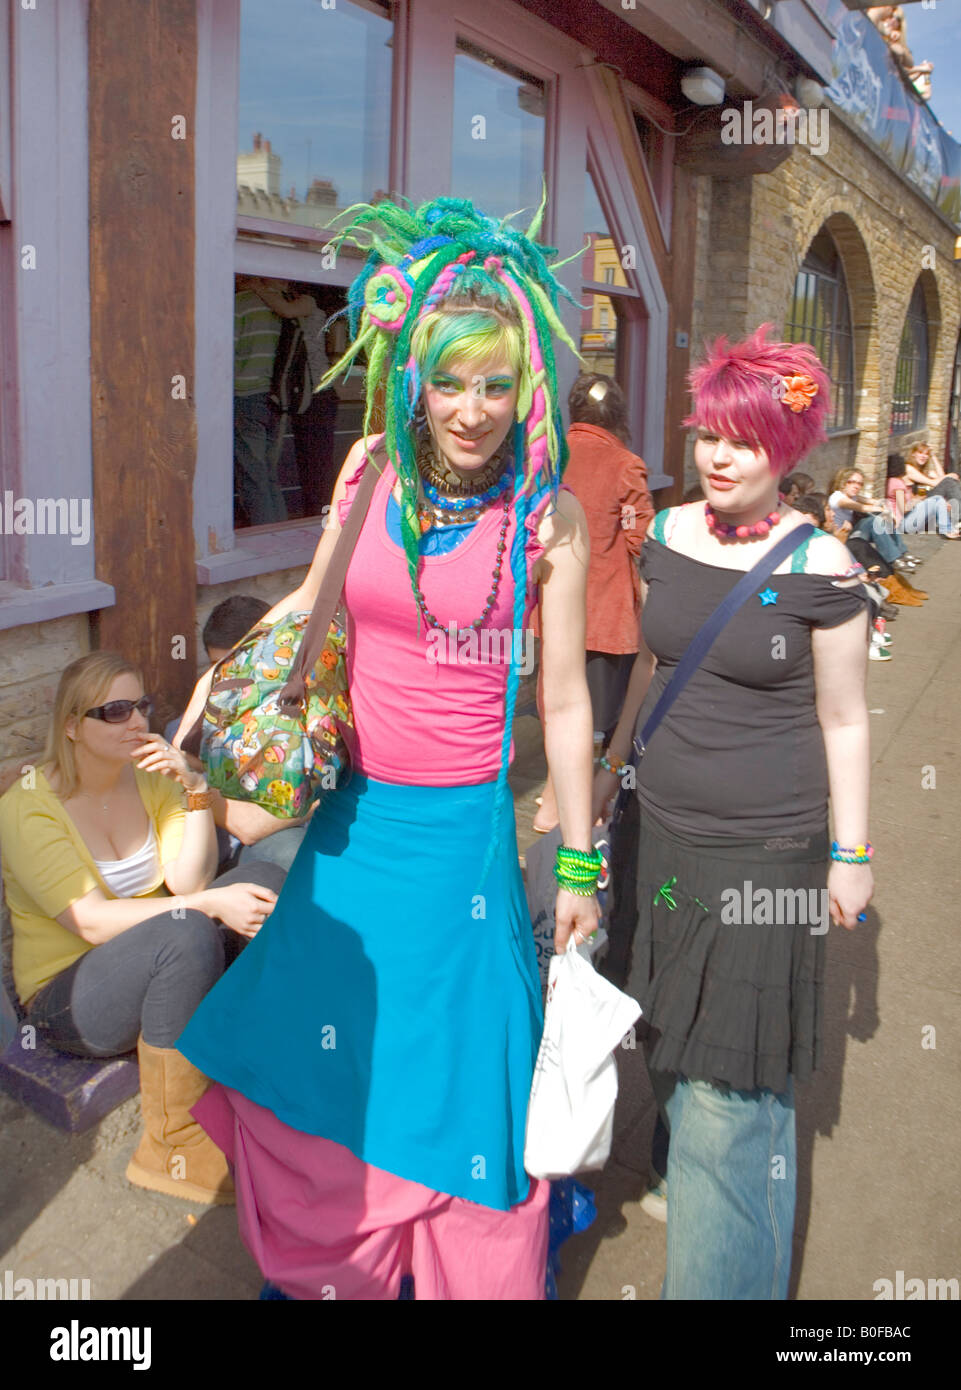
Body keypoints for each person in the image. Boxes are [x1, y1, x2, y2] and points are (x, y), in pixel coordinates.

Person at [173, 195, 599, 1301]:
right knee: (323, 1065)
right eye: (450, 380)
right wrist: (217, 687)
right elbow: (312, 607)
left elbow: (563, 705)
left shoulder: (547, 520)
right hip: (352, 826)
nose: (472, 409)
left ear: (526, 387)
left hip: (459, 840)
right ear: (412, 372)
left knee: (454, 1088)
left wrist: (582, 862)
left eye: (496, 383)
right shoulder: (368, 473)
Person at [594, 325, 874, 1299]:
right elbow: (650, 669)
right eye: (710, 434)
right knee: (669, 1038)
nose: (718, 456)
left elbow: (843, 718)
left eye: (744, 441)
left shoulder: (827, 568)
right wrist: (606, 773)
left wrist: (851, 853)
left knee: (730, 1094)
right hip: (658, 828)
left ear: (785, 450)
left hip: (770, 853)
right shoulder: (666, 534)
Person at [0, 652, 286, 1204]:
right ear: (71, 727)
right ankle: (169, 1142)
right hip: (69, 997)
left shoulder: (152, 781)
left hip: (155, 956)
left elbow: (190, 879)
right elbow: (90, 921)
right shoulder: (29, 806)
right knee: (189, 927)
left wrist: (195, 788)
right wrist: (208, 905)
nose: (137, 721)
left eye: (142, 705)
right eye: (114, 710)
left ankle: (247, 1058)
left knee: (262, 878)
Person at [533, 373, 654, 833]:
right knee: (594, 718)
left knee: (555, 703)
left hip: (550, 605)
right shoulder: (625, 464)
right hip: (603, 612)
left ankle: (549, 798)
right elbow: (640, 538)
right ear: (618, 415)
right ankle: (567, 805)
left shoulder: (547, 457)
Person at [234, 276, 316, 527]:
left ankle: (264, 537)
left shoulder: (241, 303)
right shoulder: (293, 305)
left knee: (253, 476)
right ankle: (280, 532)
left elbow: (227, 350)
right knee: (269, 475)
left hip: (246, 394)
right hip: (280, 399)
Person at [828, 467, 920, 571]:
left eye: (860, 484)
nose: (856, 486)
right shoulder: (837, 498)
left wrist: (885, 508)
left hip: (853, 532)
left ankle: (902, 553)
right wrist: (883, 510)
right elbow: (861, 507)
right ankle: (894, 560)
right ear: (844, 483)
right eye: (852, 482)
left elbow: (875, 502)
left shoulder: (853, 496)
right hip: (843, 538)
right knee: (873, 522)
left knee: (883, 519)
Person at [886, 455, 960, 540]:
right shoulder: (898, 484)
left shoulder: (891, 481)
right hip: (903, 524)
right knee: (938, 499)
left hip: (904, 521)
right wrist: (919, 501)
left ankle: (949, 527)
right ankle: (947, 530)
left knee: (937, 500)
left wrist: (923, 499)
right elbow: (904, 508)